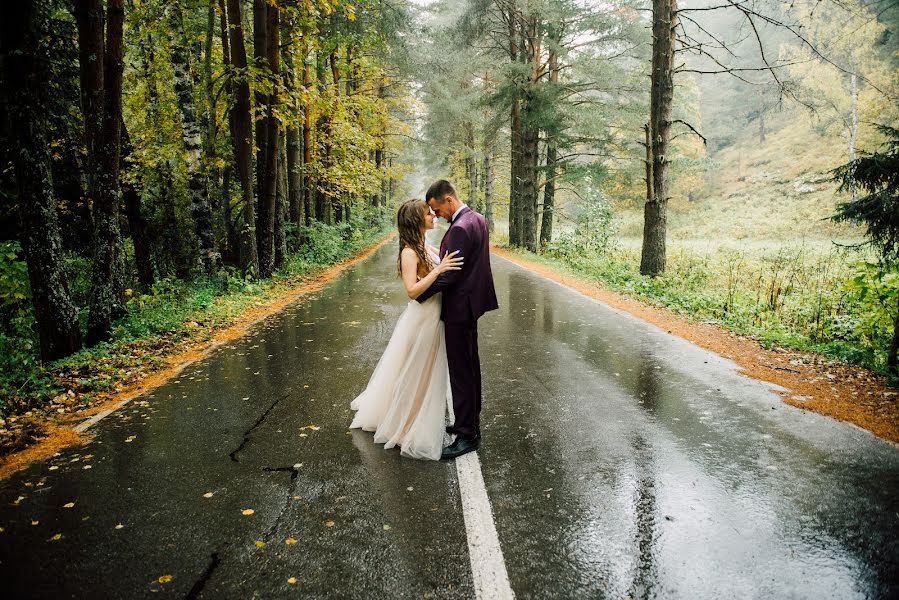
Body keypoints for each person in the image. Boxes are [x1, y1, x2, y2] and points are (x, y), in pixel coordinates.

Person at [349, 198, 464, 460]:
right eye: (428, 214)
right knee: (415, 371)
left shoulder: (425, 245)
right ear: (416, 220)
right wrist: (439, 271)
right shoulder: (409, 252)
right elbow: (412, 291)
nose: (433, 216)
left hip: (435, 315)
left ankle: (410, 416)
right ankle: (405, 425)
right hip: (422, 317)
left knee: (424, 371)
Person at [416, 180, 498, 460]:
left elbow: (452, 274)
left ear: (449, 199)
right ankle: (469, 421)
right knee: (470, 366)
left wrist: (419, 293)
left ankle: (467, 435)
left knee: (461, 371)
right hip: (471, 304)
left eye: (438, 209)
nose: (436, 215)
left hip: (459, 308)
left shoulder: (461, 228)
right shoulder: (477, 219)